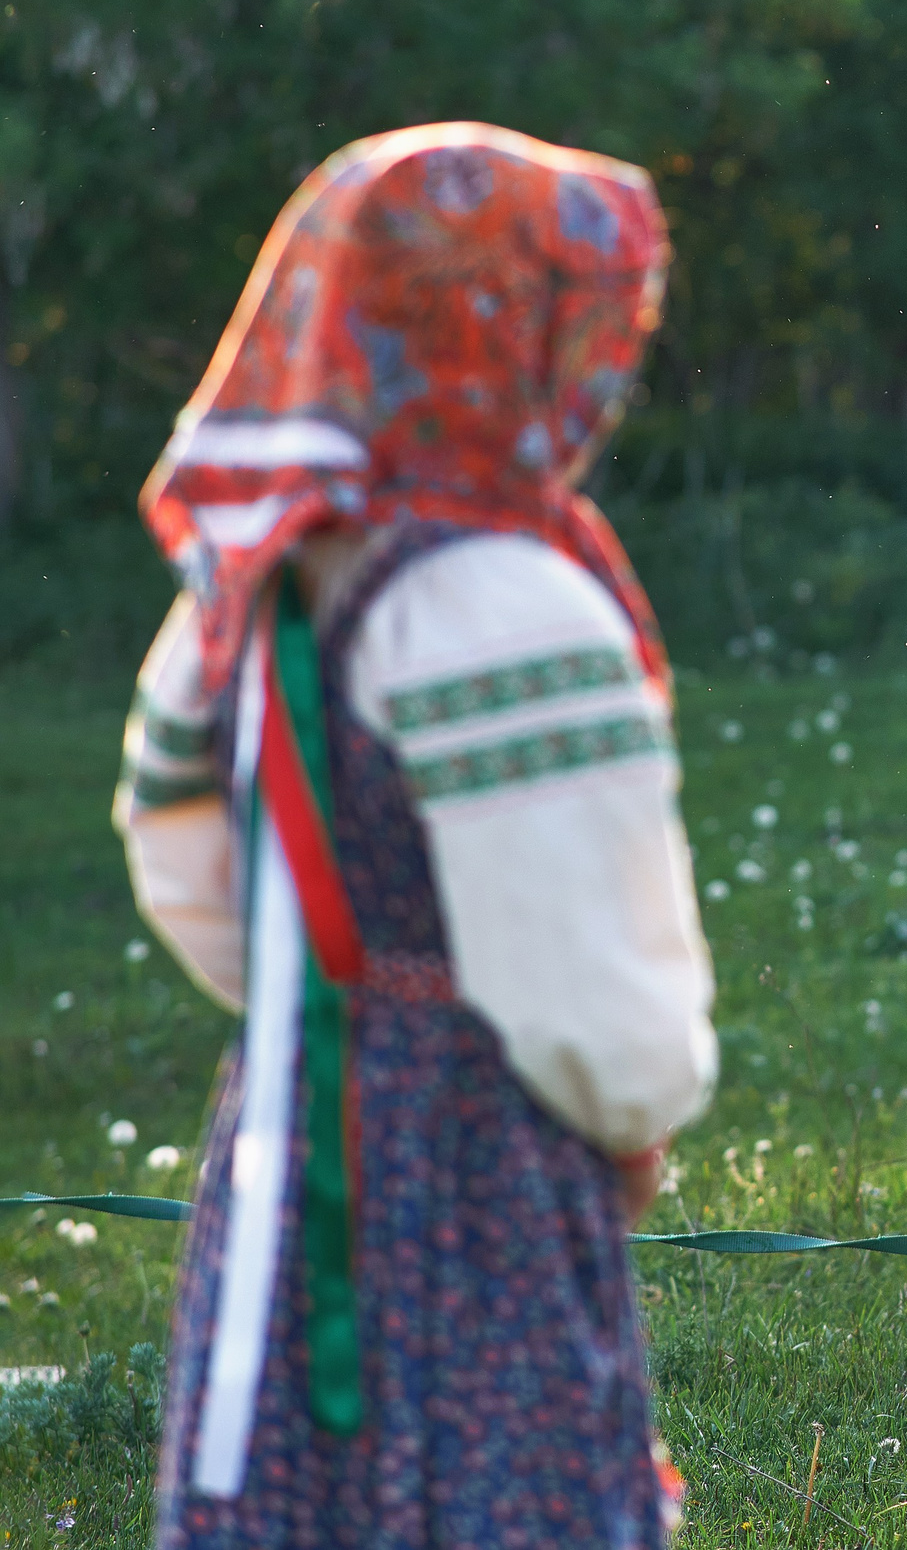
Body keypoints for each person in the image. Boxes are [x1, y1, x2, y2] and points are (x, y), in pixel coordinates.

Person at [114, 123, 718, 1544]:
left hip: (293, 1132)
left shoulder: (262, 570)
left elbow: (178, 849)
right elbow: (595, 1004)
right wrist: (634, 1111)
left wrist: (334, 1015)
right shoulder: (509, 604)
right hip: (475, 1166)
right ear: (501, 328)